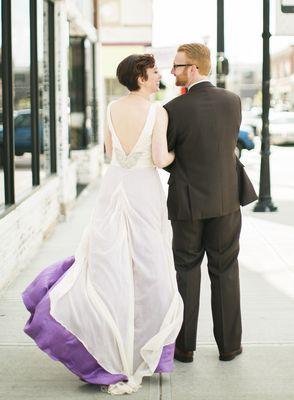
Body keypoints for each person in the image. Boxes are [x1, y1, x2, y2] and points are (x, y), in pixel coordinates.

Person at [22, 54, 183, 395]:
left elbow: (110, 149)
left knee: (108, 263)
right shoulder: (158, 111)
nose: (158, 78)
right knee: (149, 265)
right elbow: (158, 158)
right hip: (143, 189)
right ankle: (140, 346)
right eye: (154, 73)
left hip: (115, 186)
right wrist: (176, 155)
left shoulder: (111, 108)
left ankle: (105, 343)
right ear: (140, 77)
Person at [163, 43, 257, 364]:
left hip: (187, 204)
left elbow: (166, 156)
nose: (172, 71)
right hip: (227, 199)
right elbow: (225, 144)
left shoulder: (173, 109)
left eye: (177, 66)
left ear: (193, 69)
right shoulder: (232, 101)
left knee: (186, 271)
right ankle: (229, 346)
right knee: (226, 270)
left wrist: (183, 166)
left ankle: (184, 347)